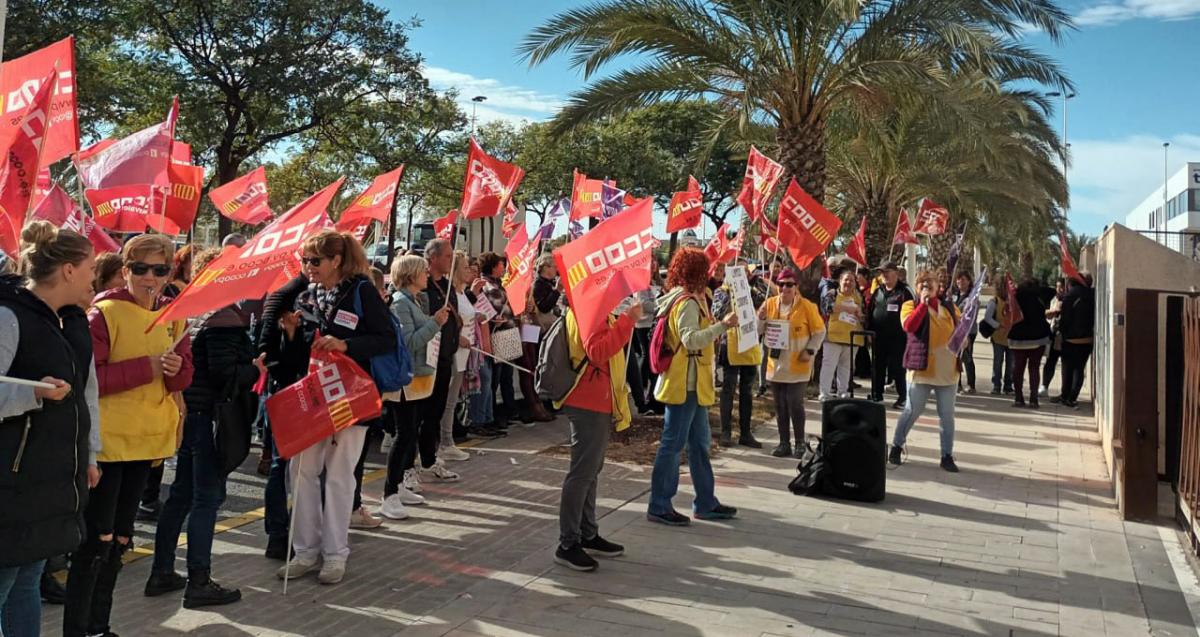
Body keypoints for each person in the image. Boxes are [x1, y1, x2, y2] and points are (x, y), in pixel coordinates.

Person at [69, 234, 194, 637]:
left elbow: (184, 377)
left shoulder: (176, 315)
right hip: (108, 445)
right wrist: (150, 366)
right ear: (125, 271)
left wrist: (176, 368)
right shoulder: (103, 313)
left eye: (159, 269)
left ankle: (99, 627)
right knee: (96, 544)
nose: (149, 277)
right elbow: (90, 379)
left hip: (149, 441)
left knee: (120, 541)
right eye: (140, 268)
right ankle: (79, 629)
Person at [145, 248, 265, 608]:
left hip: (189, 414)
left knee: (181, 495)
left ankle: (162, 570)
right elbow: (225, 375)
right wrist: (255, 369)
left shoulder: (192, 309)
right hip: (211, 418)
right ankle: (198, 580)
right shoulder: (224, 319)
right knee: (206, 498)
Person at [275, 231, 395, 585]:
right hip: (313, 398)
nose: (307, 268)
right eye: (304, 261)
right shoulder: (307, 295)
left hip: (350, 397)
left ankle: (335, 554)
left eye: (315, 261)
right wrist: (292, 334)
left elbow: (385, 339)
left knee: (340, 476)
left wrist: (345, 344)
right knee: (301, 472)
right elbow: (297, 354)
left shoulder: (361, 291)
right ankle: (306, 551)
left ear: (336, 261)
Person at [1, 223, 98, 637]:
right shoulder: (9, 316)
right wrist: (34, 394)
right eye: (91, 266)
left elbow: (86, 396)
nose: (96, 275)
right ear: (69, 270)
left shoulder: (69, 322)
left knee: (26, 585)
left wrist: (90, 454)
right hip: (11, 485)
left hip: (47, 483)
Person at [646, 248, 739, 527]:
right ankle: (660, 504)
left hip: (692, 385)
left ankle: (706, 501)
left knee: (698, 444)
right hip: (684, 384)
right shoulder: (685, 302)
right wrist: (721, 327)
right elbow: (690, 340)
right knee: (673, 444)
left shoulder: (687, 298)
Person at [552, 301, 640, 571]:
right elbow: (598, 351)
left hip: (597, 400)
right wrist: (627, 322)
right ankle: (568, 543)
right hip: (587, 401)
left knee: (590, 470)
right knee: (582, 472)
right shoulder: (588, 311)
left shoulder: (594, 310)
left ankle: (587, 533)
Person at [380, 255, 451, 520]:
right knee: (404, 434)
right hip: (404, 380)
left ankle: (398, 485)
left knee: (409, 434)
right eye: (422, 271)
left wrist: (433, 320)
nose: (426, 275)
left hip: (416, 379)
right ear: (411, 275)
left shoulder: (411, 301)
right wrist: (435, 323)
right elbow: (409, 342)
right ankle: (389, 494)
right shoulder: (400, 303)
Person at [256, 274, 310, 560]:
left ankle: (305, 531)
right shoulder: (283, 295)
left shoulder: (337, 292)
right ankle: (278, 535)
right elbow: (266, 353)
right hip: (287, 393)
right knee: (282, 465)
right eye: (311, 261)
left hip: (319, 393)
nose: (314, 268)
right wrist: (290, 336)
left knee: (309, 469)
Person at [889, 270, 962, 472]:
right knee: (912, 410)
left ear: (939, 286)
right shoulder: (909, 306)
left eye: (930, 283)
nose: (926, 286)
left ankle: (947, 455)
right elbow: (909, 326)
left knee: (947, 415)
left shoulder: (950, 308)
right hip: (921, 371)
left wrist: (963, 340)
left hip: (947, 372)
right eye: (922, 283)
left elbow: (961, 332)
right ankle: (896, 446)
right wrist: (923, 304)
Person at [760, 267, 826, 458]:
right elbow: (757, 331)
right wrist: (760, 318)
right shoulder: (769, 304)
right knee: (780, 406)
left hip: (799, 365)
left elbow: (820, 332)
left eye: (789, 284)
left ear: (796, 286)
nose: (785, 288)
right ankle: (783, 443)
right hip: (776, 365)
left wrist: (810, 350)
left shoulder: (807, 306)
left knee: (795, 404)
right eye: (781, 284)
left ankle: (799, 443)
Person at [416, 239, 465, 483]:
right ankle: (414, 462)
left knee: (436, 411)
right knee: (420, 413)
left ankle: (429, 458)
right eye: (447, 256)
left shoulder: (446, 286)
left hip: (445, 357)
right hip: (426, 359)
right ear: (432, 258)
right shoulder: (422, 287)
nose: (450, 261)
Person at [436, 252, 485, 463]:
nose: (469, 271)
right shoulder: (450, 293)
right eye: (465, 267)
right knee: (446, 400)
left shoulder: (462, 293)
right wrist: (459, 338)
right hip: (453, 352)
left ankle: (447, 440)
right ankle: (444, 443)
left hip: (464, 352)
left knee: (453, 399)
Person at [712, 264, 763, 448]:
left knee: (747, 391)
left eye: (746, 272)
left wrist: (752, 287)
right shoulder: (721, 292)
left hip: (749, 344)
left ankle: (746, 433)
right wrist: (731, 294)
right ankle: (726, 432)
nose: (743, 275)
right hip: (730, 345)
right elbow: (716, 312)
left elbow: (763, 301)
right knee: (728, 389)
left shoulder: (751, 290)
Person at [868, 262, 914, 408]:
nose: (884, 275)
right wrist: (869, 330)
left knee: (898, 368)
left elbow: (913, 313)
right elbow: (870, 311)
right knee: (878, 366)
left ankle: (903, 397)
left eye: (887, 271)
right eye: (882, 272)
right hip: (879, 337)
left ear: (896, 273)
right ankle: (877, 394)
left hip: (899, 338)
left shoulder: (905, 291)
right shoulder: (878, 291)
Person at [819, 270, 863, 401]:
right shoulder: (832, 294)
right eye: (846, 279)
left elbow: (865, 315)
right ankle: (824, 392)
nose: (848, 283)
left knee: (846, 367)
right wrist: (848, 309)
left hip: (852, 338)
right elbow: (827, 307)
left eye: (851, 280)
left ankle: (843, 391)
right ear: (840, 281)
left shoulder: (858, 297)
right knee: (828, 366)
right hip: (833, 337)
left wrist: (860, 314)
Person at [1007, 279, 1052, 409]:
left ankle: (1019, 398)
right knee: (1034, 368)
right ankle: (1033, 399)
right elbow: (1051, 291)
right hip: (1038, 338)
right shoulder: (1040, 297)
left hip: (1018, 338)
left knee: (1018, 368)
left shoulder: (1016, 297)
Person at [1056, 274, 1094, 409]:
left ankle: (1065, 396)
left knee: (1068, 369)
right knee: (1079, 369)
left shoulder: (1070, 295)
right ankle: (1072, 397)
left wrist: (1063, 332)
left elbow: (1065, 318)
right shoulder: (1092, 294)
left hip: (1071, 339)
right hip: (1087, 339)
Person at [982, 277, 1014, 394]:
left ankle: (1008, 386)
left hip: (1011, 338)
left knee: (1011, 363)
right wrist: (997, 325)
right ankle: (996, 385)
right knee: (998, 362)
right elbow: (987, 317)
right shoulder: (994, 301)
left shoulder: (1013, 302)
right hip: (998, 337)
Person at [950, 272, 978, 394]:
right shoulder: (955, 295)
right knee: (957, 357)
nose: (960, 282)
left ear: (968, 281)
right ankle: (958, 383)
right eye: (958, 279)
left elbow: (971, 314)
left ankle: (971, 385)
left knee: (967, 357)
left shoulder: (972, 296)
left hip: (968, 331)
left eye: (963, 279)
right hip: (955, 330)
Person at [1041, 278, 1066, 398]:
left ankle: (1065, 391)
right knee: (1050, 362)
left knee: (1066, 365)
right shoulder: (1054, 299)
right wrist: (1052, 311)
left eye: (1061, 287)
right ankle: (1044, 386)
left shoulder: (1068, 299)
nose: (1059, 289)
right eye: (1057, 286)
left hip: (1065, 336)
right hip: (1053, 334)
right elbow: (1048, 314)